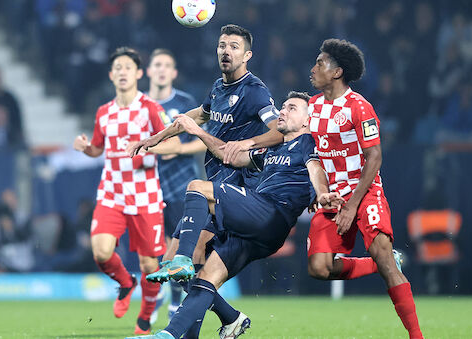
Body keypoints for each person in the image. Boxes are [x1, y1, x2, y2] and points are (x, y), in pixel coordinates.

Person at [125, 91, 343, 339]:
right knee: (204, 278)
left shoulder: (308, 143)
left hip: (271, 212)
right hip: (261, 230)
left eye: (292, 108)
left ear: (307, 119)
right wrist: (199, 132)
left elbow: (315, 169)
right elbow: (233, 157)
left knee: (197, 187)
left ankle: (181, 259)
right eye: (283, 106)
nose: (282, 111)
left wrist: (321, 192)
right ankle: (181, 332)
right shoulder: (271, 150)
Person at [126, 24, 284, 338]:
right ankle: (231, 317)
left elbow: (279, 130)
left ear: (247, 55)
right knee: (176, 268)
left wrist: (249, 144)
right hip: (216, 180)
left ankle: (177, 332)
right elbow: (194, 117)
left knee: (188, 261)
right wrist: (154, 139)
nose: (226, 51)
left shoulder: (254, 90)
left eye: (234, 46)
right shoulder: (218, 87)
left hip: (238, 188)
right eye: (222, 45)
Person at [306, 38, 423, 339]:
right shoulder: (313, 106)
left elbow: (375, 156)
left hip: (364, 191)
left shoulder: (360, 107)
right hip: (333, 196)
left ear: (337, 72)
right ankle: (373, 264)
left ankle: (416, 336)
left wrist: (354, 204)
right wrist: (318, 192)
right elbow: (314, 158)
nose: (313, 68)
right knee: (319, 268)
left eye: (320, 63)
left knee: (384, 256)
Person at [72, 46, 183, 335]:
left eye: (127, 67)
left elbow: (174, 145)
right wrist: (86, 149)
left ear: (138, 73)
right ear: (111, 75)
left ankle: (145, 319)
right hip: (111, 193)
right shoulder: (103, 113)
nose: (122, 72)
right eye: (117, 68)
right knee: (101, 252)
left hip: (145, 197)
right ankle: (124, 282)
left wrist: (147, 144)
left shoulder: (150, 109)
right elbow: (98, 149)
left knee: (149, 265)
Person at [145, 48, 206, 321]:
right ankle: (159, 293)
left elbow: (201, 139)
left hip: (179, 183)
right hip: (145, 184)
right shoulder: (138, 104)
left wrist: (178, 149)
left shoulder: (184, 102)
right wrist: (156, 148)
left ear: (173, 73)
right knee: (150, 245)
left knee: (178, 243)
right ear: (148, 71)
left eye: (166, 65)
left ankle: (175, 298)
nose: (161, 69)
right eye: (156, 64)